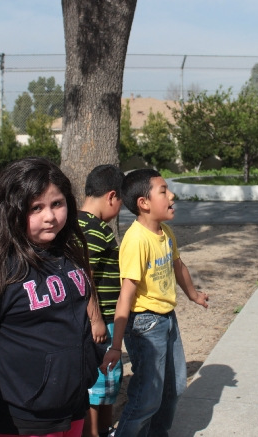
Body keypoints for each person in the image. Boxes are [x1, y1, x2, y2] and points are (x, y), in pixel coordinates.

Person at [0, 157, 99, 437]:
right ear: (12, 210)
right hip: (22, 416)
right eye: (36, 208)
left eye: (57, 203)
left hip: (74, 402)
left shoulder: (69, 252)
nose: (50, 216)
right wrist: (4, 384)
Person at [100, 169, 209, 437]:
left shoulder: (165, 231)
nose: (171, 195)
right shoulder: (136, 240)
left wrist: (194, 295)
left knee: (174, 388)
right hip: (145, 323)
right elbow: (126, 294)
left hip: (166, 317)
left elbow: (177, 265)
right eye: (163, 190)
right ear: (143, 203)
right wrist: (116, 346)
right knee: (147, 396)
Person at [78, 165, 125, 437]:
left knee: (105, 386)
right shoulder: (95, 229)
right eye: (119, 202)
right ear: (111, 196)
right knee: (98, 387)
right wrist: (96, 320)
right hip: (100, 323)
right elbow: (85, 276)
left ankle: (104, 430)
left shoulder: (75, 222)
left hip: (97, 321)